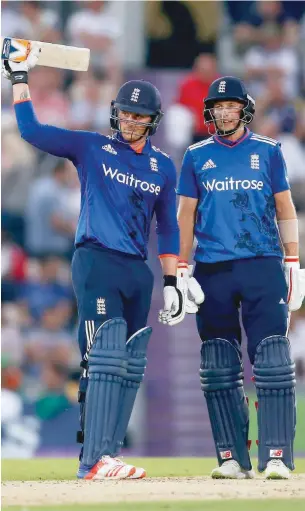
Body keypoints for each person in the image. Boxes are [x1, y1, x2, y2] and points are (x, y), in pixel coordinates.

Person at [2, 44, 186, 480]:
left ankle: (110, 454)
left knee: (131, 362)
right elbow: (32, 131)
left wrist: (173, 280)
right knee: (102, 357)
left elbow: (169, 227)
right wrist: (19, 78)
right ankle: (93, 460)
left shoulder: (162, 166)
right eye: (124, 113)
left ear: (152, 121)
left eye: (138, 116)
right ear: (115, 113)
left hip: (137, 272)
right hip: (96, 260)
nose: (129, 121)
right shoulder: (91, 148)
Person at [176, 76, 305, 480]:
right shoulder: (196, 155)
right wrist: (179, 270)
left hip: (262, 264)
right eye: (218, 107)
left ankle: (278, 456)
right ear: (210, 113)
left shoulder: (268, 152)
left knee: (273, 361)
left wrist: (293, 259)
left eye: (231, 106)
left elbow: (285, 208)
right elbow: (185, 216)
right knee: (218, 365)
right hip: (213, 268)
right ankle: (232, 458)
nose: (224, 112)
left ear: (243, 109)